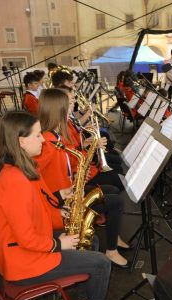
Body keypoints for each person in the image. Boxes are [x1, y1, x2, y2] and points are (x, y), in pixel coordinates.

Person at [0, 111, 111, 300]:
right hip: (23, 263)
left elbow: (33, 211)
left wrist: (61, 203)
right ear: (21, 141)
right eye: (37, 135)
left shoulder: (17, 168)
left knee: (92, 239)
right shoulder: (14, 181)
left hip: (24, 250)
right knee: (101, 262)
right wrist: (57, 244)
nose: (42, 140)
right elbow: (26, 238)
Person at [35, 89, 130, 268]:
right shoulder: (47, 143)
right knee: (115, 200)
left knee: (113, 192)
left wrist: (79, 173)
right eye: (69, 106)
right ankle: (111, 250)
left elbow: (65, 167)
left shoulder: (54, 137)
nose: (72, 110)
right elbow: (36, 182)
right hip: (62, 203)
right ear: (59, 112)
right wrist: (57, 200)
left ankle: (113, 236)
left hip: (69, 192)